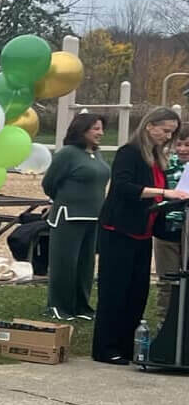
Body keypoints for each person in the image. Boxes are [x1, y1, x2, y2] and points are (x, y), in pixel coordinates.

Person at [93, 107, 189, 363]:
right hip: (119, 230)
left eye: (171, 133)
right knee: (115, 289)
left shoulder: (156, 158)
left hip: (143, 232)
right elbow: (124, 187)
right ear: (149, 126)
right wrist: (164, 193)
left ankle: (127, 346)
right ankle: (106, 347)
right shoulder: (129, 153)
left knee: (137, 292)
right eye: (165, 131)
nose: (167, 137)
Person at [41, 113, 110, 321]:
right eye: (95, 129)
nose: (101, 133)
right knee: (65, 263)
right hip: (68, 217)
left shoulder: (97, 155)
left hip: (93, 217)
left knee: (85, 265)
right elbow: (49, 184)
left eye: (101, 128)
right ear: (82, 130)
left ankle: (81, 305)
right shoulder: (67, 154)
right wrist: (66, 199)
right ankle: (58, 306)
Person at [153, 132, 189, 290]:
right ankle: (166, 314)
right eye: (178, 145)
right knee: (167, 279)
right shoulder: (163, 166)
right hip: (167, 227)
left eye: (187, 145)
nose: (182, 149)